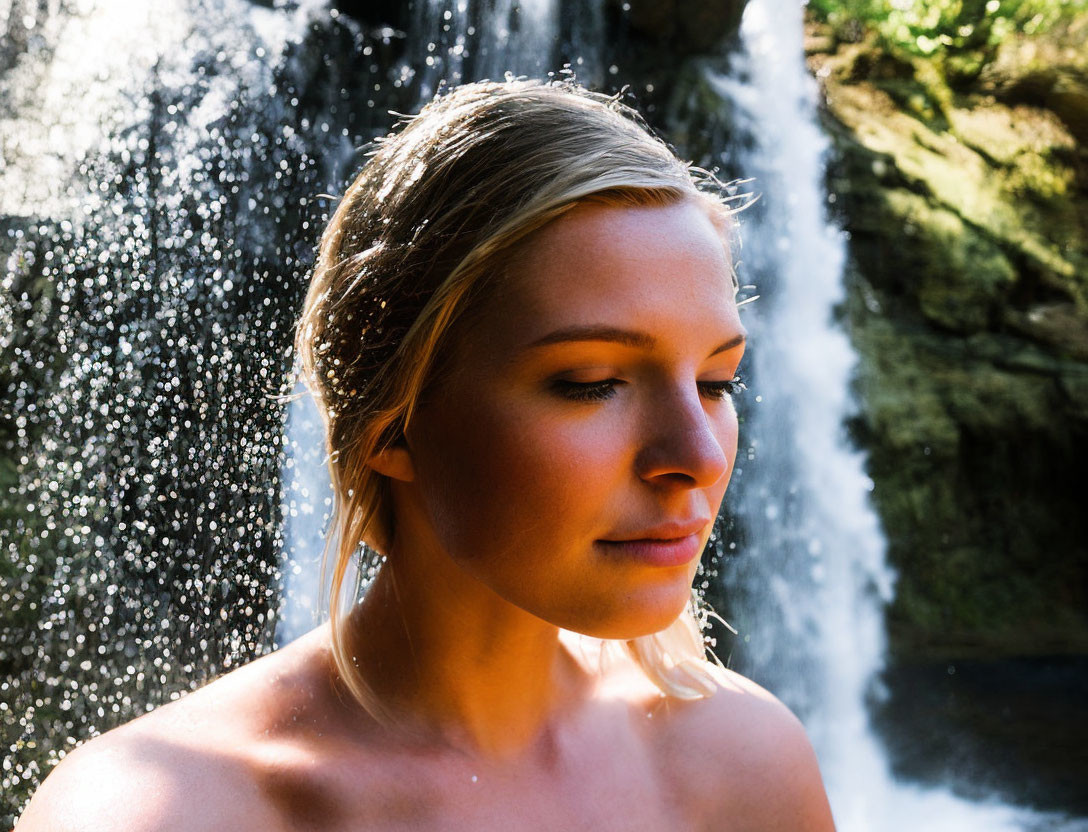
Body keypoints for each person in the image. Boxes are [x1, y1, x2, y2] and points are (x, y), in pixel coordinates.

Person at [16, 79, 836, 831]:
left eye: (718, 382)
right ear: (393, 425)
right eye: (591, 383)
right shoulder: (165, 810)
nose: (696, 455)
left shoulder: (745, 770)